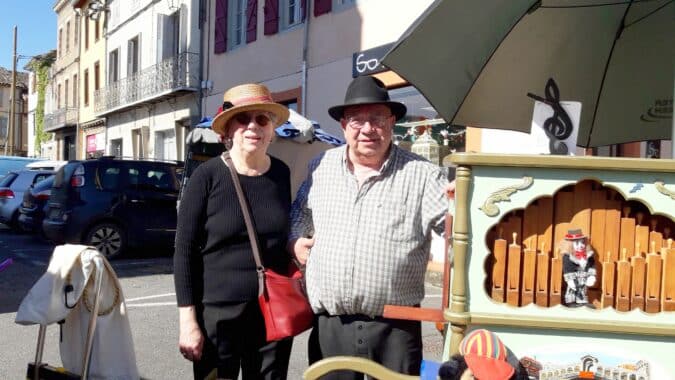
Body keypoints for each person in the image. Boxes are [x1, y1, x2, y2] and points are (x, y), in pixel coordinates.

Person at [289, 75, 452, 378]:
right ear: (343, 125)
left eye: (377, 119)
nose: (367, 129)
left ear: (391, 122)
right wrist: (296, 239)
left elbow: (456, 231)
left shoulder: (424, 175)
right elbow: (299, 213)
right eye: (356, 120)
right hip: (331, 327)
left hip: (396, 328)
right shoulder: (320, 167)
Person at [173, 83, 293, 380]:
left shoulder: (281, 174)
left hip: (271, 313)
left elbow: (281, 237)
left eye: (262, 119)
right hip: (217, 317)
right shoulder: (207, 176)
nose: (253, 126)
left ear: (271, 130)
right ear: (227, 130)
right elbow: (184, 251)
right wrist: (188, 321)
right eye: (243, 119)